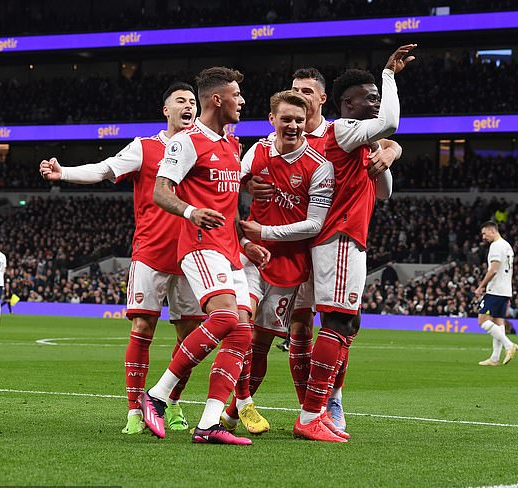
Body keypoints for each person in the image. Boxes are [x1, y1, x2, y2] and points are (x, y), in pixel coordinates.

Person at [247, 50, 410, 440]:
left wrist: (388, 151)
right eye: (293, 92)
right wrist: (249, 184)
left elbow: (383, 189)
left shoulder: (340, 133)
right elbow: (256, 170)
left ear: (322, 99)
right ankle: (288, 408)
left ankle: (322, 405)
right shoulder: (294, 138)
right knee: (298, 328)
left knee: (342, 324)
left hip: (326, 236)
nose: (298, 100)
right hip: (318, 239)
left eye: (306, 92)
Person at [39, 82, 205, 435]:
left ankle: (170, 403)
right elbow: (103, 169)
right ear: (166, 110)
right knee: (142, 328)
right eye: (180, 100)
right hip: (151, 253)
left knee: (189, 335)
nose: (188, 105)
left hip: (193, 255)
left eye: (192, 101)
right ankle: (133, 411)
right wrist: (63, 173)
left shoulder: (203, 147)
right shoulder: (145, 148)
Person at [140, 67, 271, 446]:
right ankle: (157, 396)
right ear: (218, 99)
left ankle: (209, 423)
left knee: (242, 332)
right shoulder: (186, 142)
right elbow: (160, 191)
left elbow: (228, 209)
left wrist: (245, 243)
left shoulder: (232, 146)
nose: (242, 102)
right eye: (236, 95)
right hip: (197, 244)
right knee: (227, 316)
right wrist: (189, 211)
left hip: (228, 250)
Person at [220, 90, 334, 435]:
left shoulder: (319, 166)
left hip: (289, 266)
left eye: (299, 120)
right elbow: (226, 189)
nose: (294, 126)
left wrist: (265, 231)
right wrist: (244, 188)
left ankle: (228, 415)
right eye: (286, 119)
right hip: (251, 258)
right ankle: (243, 404)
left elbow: (314, 224)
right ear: (273, 120)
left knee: (263, 343)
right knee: (241, 328)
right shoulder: (257, 151)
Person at [475, 221, 518, 366]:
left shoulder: (496, 246)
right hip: (505, 289)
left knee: (482, 320)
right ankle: (495, 358)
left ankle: (509, 345)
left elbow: (493, 270)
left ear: (492, 230)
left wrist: (481, 286)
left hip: (495, 289)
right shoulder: (507, 246)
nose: (483, 237)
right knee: (498, 321)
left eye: (484, 233)